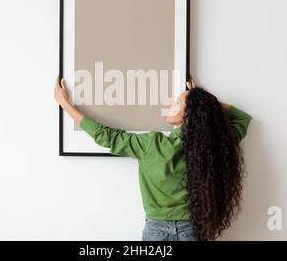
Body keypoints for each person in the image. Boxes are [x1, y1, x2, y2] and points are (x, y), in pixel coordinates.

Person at [54, 74, 252, 241]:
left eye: (178, 102)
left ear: (188, 115)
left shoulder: (151, 144)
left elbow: (106, 136)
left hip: (156, 232)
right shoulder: (215, 145)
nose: (171, 104)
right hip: (193, 231)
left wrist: (65, 104)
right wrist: (205, 102)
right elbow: (243, 118)